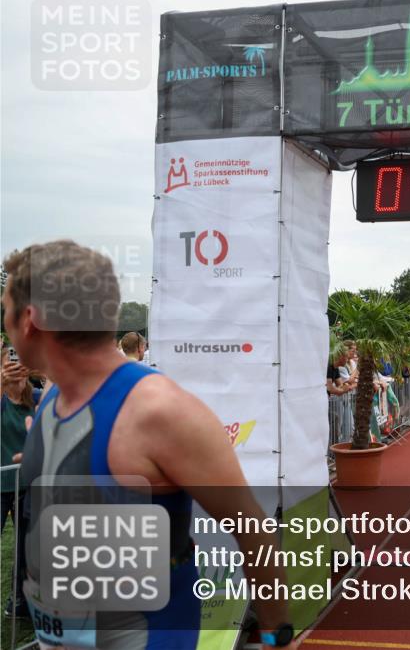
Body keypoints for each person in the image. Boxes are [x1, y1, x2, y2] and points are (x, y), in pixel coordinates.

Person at [2, 241, 296, 650]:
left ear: (29, 320)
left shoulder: (159, 410)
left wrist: (276, 637)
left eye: (5, 309)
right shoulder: (53, 397)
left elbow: (252, 529)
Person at [1, 345, 32, 618]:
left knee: (24, 548)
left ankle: (18, 601)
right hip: (1, 486)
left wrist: (44, 370)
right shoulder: (2, 402)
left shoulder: (36, 398)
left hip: (26, 487)